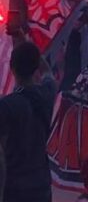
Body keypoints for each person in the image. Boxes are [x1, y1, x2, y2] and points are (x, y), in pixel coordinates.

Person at [0, 40, 56, 202]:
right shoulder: (48, 93)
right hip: (42, 186)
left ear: (12, 68)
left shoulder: (6, 106)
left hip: (14, 189)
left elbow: (1, 157)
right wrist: (27, 43)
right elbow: (48, 73)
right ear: (36, 68)